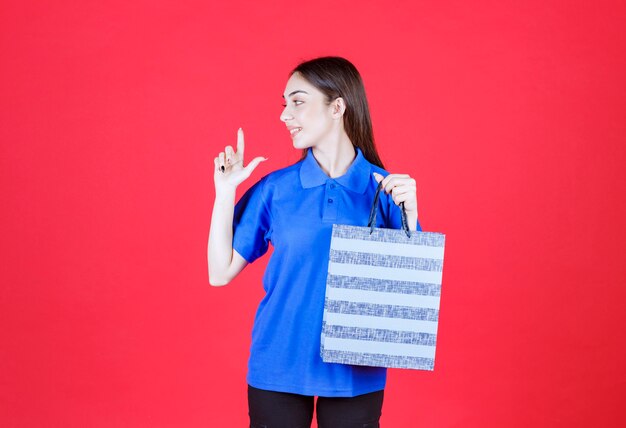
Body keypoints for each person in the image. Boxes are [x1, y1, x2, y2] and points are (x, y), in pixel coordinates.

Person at [208, 56, 421, 428]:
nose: (285, 115)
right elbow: (219, 273)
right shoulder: (276, 189)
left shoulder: (385, 189)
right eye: (285, 104)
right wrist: (225, 192)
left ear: (337, 106)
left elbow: (409, 295)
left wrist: (411, 218)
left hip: (357, 369)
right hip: (278, 362)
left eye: (298, 101)